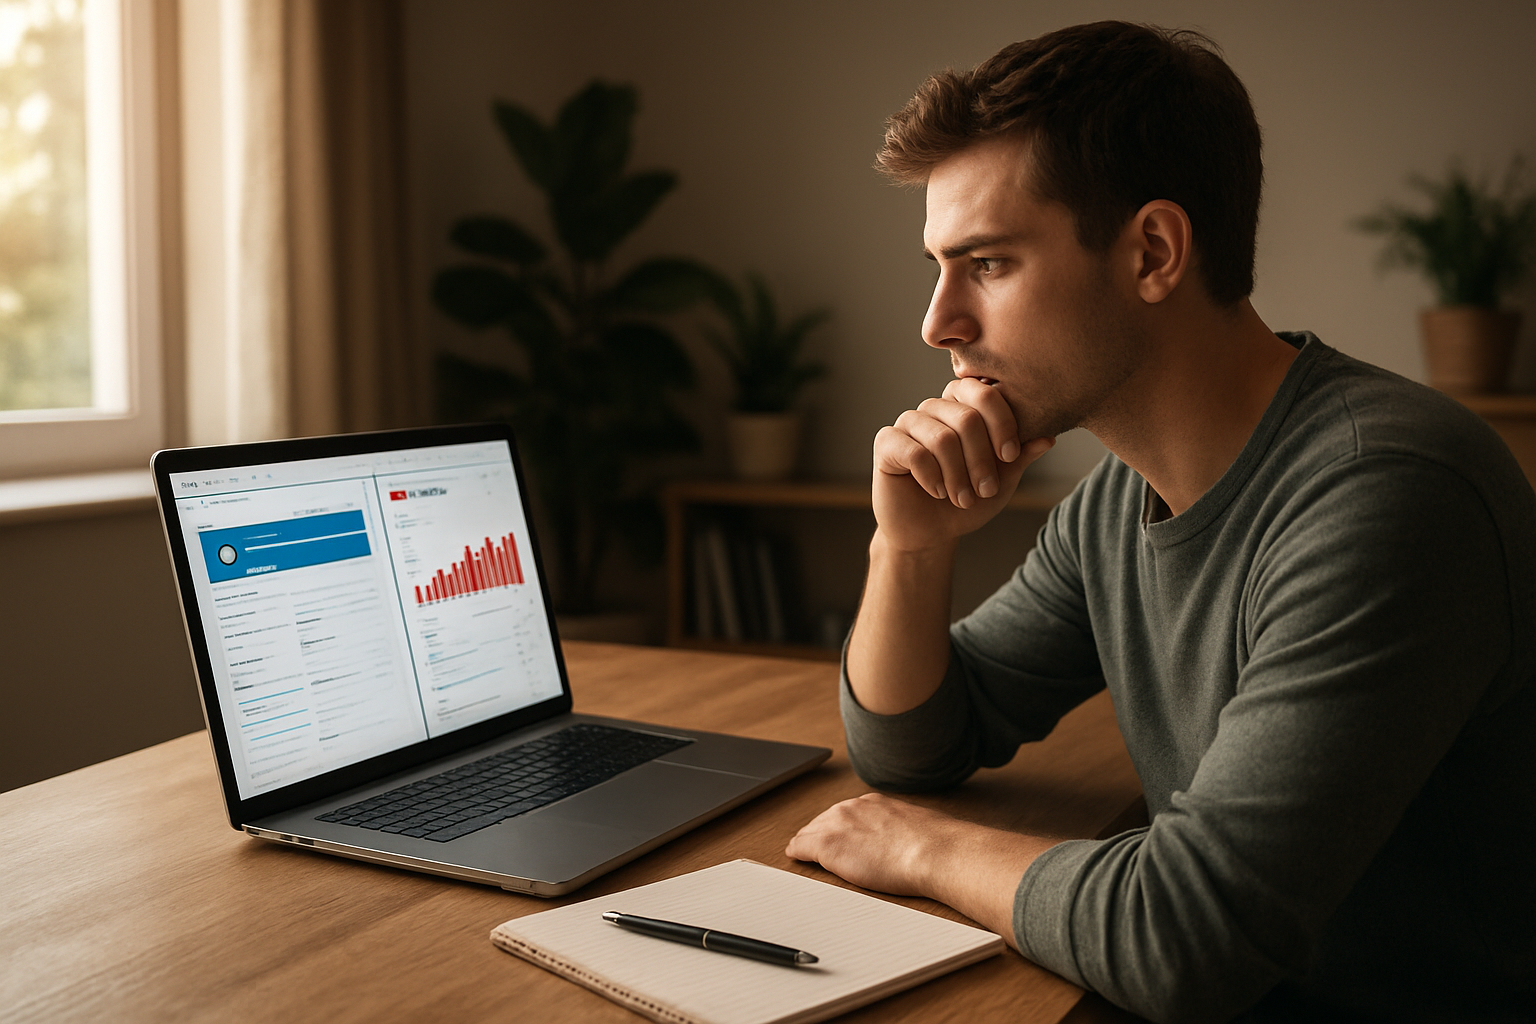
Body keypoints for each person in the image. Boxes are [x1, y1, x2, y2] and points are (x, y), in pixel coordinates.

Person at [783, 21, 1536, 1024]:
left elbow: (1184, 937)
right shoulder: (1117, 499)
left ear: (1153, 251)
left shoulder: (1388, 494)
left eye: (988, 264)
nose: (938, 321)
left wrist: (923, 848)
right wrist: (909, 545)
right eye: (939, 265)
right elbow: (917, 744)